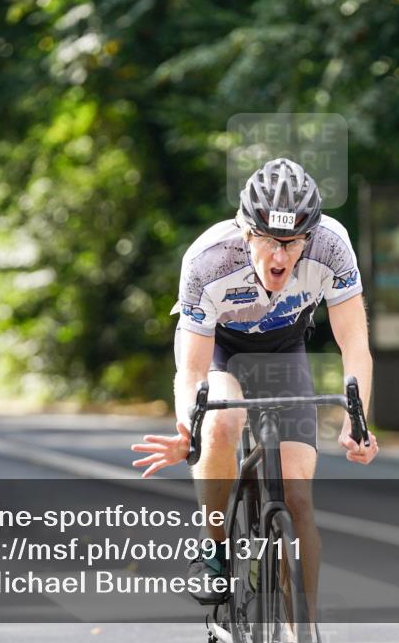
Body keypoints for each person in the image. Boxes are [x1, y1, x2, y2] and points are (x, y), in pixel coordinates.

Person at [131, 158, 378, 617]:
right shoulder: (208, 261)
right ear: (247, 233)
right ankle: (214, 547)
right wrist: (190, 427)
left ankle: (301, 627)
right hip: (222, 350)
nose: (280, 257)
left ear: (310, 235)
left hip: (285, 352)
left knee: (297, 495)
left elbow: (355, 344)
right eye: (269, 242)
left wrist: (356, 418)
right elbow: (191, 371)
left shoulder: (333, 247)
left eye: (292, 242)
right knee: (222, 422)